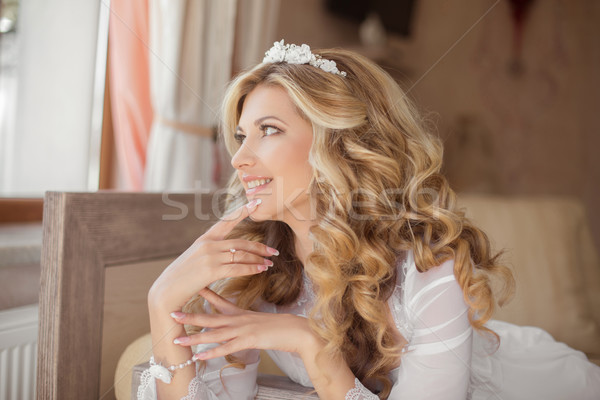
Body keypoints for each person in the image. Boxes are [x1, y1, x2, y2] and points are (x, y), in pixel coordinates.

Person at [138, 40, 600, 400]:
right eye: (240, 137)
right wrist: (162, 303)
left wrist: (312, 346)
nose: (239, 159)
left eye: (269, 131)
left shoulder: (426, 269)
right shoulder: (252, 266)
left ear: (335, 144)